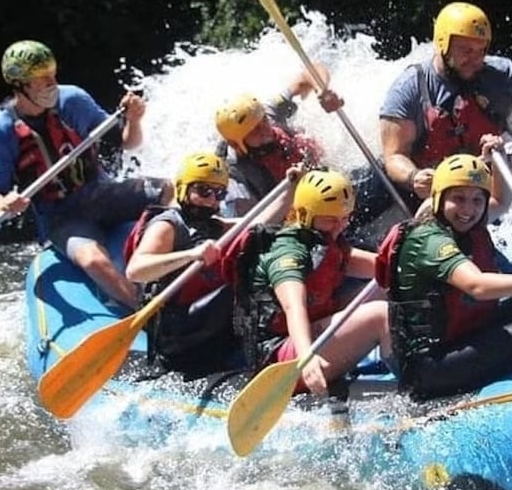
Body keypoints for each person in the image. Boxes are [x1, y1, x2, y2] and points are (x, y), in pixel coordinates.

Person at [378, 150, 512, 401]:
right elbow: (476, 285)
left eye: (477, 200)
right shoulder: (429, 241)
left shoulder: (466, 223)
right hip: (433, 366)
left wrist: (496, 162)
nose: (469, 209)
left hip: (466, 332)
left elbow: (502, 200)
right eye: (459, 198)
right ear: (439, 198)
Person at [0, 39, 172, 308]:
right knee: (93, 260)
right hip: (61, 215)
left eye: (52, 73)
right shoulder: (3, 129)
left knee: (167, 188)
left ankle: (167, 259)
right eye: (41, 78)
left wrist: (134, 120)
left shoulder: (73, 99)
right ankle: (143, 310)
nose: (52, 82)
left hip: (101, 193)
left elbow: (128, 142)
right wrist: (6, 204)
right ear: (20, 85)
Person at [379, 1, 512, 206]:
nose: (475, 59)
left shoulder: (500, 75)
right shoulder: (409, 89)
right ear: (442, 44)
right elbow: (394, 155)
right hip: (431, 189)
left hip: (483, 186)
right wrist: (414, 177)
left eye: (481, 50)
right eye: (466, 50)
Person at [239, 169, 392, 396]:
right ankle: (416, 380)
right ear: (303, 214)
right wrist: (306, 357)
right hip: (281, 359)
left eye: (345, 218)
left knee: (387, 286)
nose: (340, 227)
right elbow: (294, 307)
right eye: (331, 220)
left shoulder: (326, 240)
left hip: (311, 332)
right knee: (381, 314)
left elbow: (380, 267)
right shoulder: (287, 251)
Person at [215, 64, 391, 241]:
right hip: (308, 223)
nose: (265, 130)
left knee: (388, 170)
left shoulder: (267, 111)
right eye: (254, 131)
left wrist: (322, 90)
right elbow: (254, 228)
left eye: (263, 121)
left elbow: (310, 72)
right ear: (236, 143)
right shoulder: (235, 177)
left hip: (332, 189)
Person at [122, 152, 242, 377]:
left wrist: (291, 189)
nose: (211, 200)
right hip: (175, 332)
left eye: (219, 193)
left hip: (204, 323)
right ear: (184, 189)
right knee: (231, 291)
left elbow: (258, 223)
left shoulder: (216, 226)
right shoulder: (168, 225)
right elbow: (135, 271)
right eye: (203, 191)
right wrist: (191, 255)